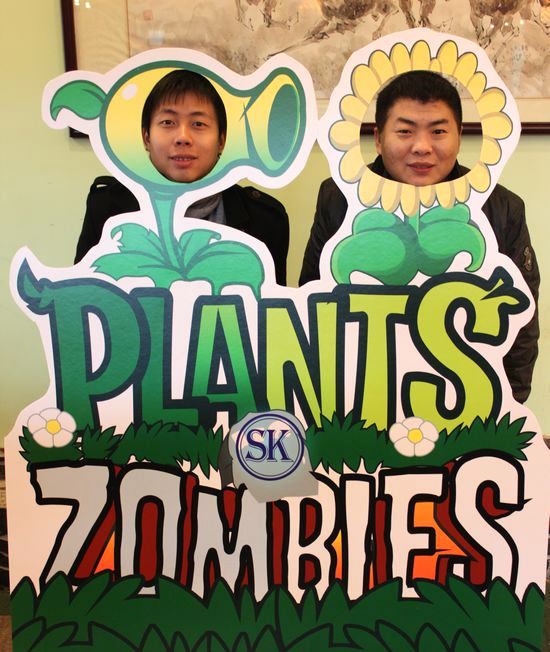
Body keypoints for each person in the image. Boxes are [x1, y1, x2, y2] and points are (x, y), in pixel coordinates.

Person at [300, 70, 539, 403]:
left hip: (465, 397)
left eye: (438, 131)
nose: (422, 147)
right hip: (360, 393)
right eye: (405, 131)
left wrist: (508, 406)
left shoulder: (501, 208)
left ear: (459, 136)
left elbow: (520, 323)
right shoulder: (338, 198)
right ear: (378, 138)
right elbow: (312, 304)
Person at [75, 69, 289, 285]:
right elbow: (81, 297)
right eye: (168, 122)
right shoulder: (107, 208)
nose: (183, 137)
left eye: (198, 124)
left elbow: (271, 303)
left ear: (221, 141)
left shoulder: (266, 219)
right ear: (146, 137)